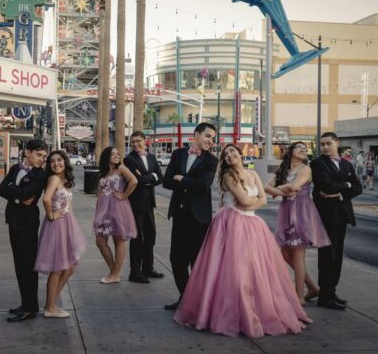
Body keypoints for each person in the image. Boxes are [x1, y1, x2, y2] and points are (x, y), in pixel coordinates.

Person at [174, 144, 312, 338]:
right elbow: (247, 201)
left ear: (240, 154)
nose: (230, 155)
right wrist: (250, 203)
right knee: (233, 270)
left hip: (252, 223)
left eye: (233, 151)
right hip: (231, 223)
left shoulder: (253, 175)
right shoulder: (228, 177)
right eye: (226, 154)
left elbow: (263, 199)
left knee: (256, 269)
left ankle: (257, 308)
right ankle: (234, 312)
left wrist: (250, 204)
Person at [264, 142, 331, 305]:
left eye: (305, 149)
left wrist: (280, 190)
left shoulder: (305, 169)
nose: (303, 149)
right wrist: (284, 189)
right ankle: (312, 288)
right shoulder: (284, 170)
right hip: (287, 210)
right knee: (286, 254)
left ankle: (299, 296)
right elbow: (266, 187)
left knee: (298, 254)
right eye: (299, 147)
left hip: (302, 211)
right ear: (290, 151)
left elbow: (295, 186)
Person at [162, 123, 218, 310]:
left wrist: (182, 179)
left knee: (197, 262)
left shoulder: (211, 160)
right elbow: (167, 181)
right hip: (179, 215)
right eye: (208, 136)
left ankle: (200, 303)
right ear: (196, 134)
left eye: (213, 138)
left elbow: (203, 186)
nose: (211, 141)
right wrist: (185, 183)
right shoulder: (178, 154)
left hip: (199, 219)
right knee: (176, 260)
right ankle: (185, 299)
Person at [0, 139, 48, 322]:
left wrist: (15, 192)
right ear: (28, 152)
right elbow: (0, 189)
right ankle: (26, 303)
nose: (42, 159)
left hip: (27, 223)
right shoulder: (15, 169)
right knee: (19, 265)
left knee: (27, 265)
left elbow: (27, 194)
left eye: (44, 156)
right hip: (13, 220)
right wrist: (17, 198)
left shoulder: (40, 175)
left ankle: (30, 308)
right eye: (39, 155)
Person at [310, 132, 362, 310]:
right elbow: (326, 185)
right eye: (322, 144)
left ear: (337, 143)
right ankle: (325, 296)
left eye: (328, 143)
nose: (324, 147)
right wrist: (345, 185)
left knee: (337, 255)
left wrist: (340, 192)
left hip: (342, 215)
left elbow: (358, 187)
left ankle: (331, 292)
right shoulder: (317, 164)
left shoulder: (347, 164)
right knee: (327, 255)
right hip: (326, 215)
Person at [34, 151, 87, 318]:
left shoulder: (64, 180)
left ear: (65, 161)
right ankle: (50, 307)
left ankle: (51, 303)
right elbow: (46, 199)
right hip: (56, 225)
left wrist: (71, 220)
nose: (56, 163)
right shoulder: (54, 179)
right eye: (52, 162)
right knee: (57, 268)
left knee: (69, 267)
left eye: (59, 160)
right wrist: (51, 215)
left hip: (66, 224)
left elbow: (67, 203)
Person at [123, 131, 165, 283]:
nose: (135, 144)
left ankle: (148, 268)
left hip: (149, 204)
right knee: (137, 238)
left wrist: (149, 178)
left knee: (150, 236)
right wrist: (150, 177)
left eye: (138, 141)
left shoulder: (152, 158)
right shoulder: (129, 160)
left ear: (145, 141)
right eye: (132, 142)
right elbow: (138, 180)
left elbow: (160, 178)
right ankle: (135, 272)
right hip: (135, 204)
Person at [93, 146, 138, 283]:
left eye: (118, 154)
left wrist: (124, 196)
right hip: (103, 210)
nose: (117, 156)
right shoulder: (105, 172)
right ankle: (114, 271)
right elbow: (99, 193)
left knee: (118, 240)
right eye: (113, 154)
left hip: (117, 208)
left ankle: (115, 274)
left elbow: (134, 181)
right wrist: (97, 213)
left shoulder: (121, 168)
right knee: (100, 241)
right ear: (107, 156)